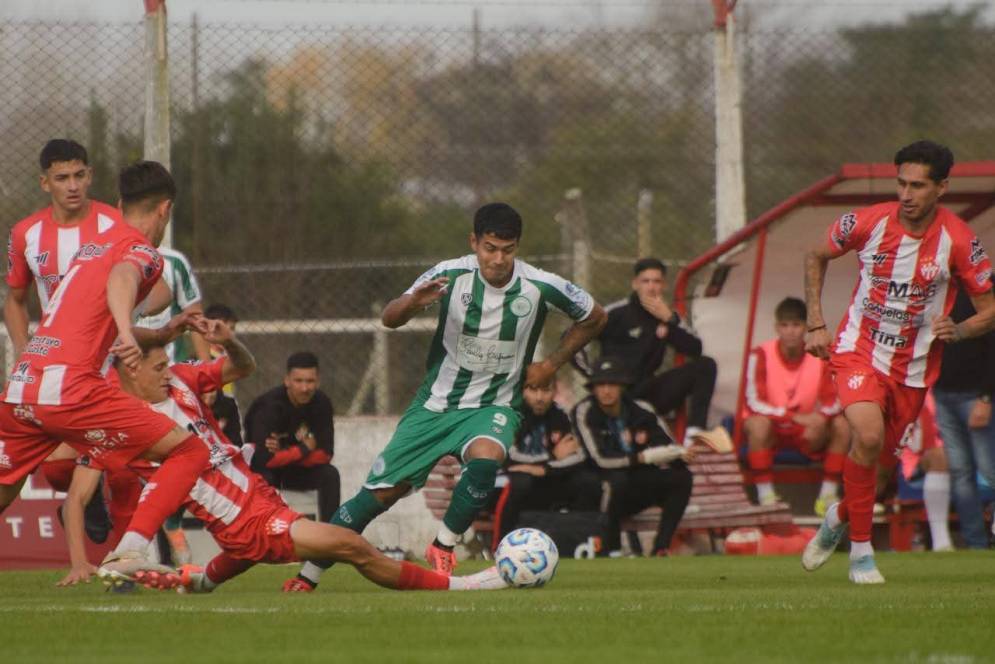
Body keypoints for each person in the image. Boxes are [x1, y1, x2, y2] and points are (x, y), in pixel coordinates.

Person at [283, 202, 606, 592]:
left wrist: (552, 363)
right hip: (435, 407)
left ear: (518, 248)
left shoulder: (539, 285)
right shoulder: (449, 275)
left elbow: (595, 316)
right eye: (490, 248)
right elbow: (389, 317)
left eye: (508, 249)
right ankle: (309, 575)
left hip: (494, 405)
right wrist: (412, 303)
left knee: (486, 460)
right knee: (377, 496)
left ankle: (443, 545)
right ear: (474, 242)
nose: (499, 259)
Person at [60, 332, 505, 594]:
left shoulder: (181, 381)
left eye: (165, 363)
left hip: (257, 496)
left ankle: (199, 582)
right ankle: (465, 586)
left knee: (252, 552)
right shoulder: (122, 424)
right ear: (129, 372)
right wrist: (81, 560)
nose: (165, 370)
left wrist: (230, 343)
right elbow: (76, 496)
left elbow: (243, 368)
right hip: (244, 522)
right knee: (351, 546)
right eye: (156, 366)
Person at [0, 160, 216, 583]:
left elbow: (87, 318)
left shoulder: (91, 247)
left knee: (6, 487)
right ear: (165, 209)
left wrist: (165, 329)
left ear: (118, 204)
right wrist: (125, 331)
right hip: (72, 389)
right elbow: (123, 278)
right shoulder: (141, 251)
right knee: (190, 452)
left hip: (25, 384)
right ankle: (128, 552)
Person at [801, 140, 995, 584]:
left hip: (912, 371)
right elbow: (816, 254)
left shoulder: (959, 240)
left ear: (941, 187)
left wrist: (960, 330)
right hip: (858, 352)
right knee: (866, 437)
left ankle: (838, 517)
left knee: (879, 465)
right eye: (901, 183)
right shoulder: (868, 222)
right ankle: (862, 556)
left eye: (918, 186)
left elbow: (990, 309)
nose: (907, 194)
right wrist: (816, 321)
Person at [4, 139, 125, 541]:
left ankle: (126, 558)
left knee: (126, 459)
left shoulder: (114, 225)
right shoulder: (26, 234)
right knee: (48, 469)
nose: (72, 185)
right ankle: (86, 500)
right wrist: (24, 352)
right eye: (61, 178)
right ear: (45, 183)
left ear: (90, 175)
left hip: (104, 364)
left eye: (79, 175)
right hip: (47, 368)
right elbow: (16, 300)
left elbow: (144, 279)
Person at [573, 356, 694, 557]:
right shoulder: (585, 411)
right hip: (599, 484)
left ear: (622, 386)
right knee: (616, 482)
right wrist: (642, 458)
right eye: (601, 384)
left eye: (612, 383)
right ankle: (611, 550)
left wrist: (681, 454)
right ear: (593, 388)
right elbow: (599, 459)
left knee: (682, 477)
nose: (606, 390)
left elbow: (665, 444)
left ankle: (661, 547)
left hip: (637, 483)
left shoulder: (641, 409)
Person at [596, 258, 719, 446]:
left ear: (664, 285)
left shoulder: (666, 315)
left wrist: (670, 319)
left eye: (657, 281)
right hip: (618, 394)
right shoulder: (616, 313)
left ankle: (694, 435)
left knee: (706, 365)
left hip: (649, 391)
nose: (651, 287)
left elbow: (695, 348)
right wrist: (596, 377)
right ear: (635, 284)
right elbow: (572, 336)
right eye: (645, 281)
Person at [743, 297, 849, 514]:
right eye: (784, 325)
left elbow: (835, 399)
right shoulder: (760, 354)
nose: (790, 331)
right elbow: (753, 402)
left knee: (842, 425)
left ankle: (827, 496)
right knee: (757, 424)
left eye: (796, 325)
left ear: (806, 328)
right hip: (773, 428)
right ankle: (766, 498)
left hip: (808, 431)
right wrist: (791, 417)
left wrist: (821, 418)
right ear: (777, 327)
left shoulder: (820, 354)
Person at [491, 379, 602, 542]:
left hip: (546, 478)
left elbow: (578, 456)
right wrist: (552, 457)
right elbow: (509, 458)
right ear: (521, 391)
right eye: (533, 390)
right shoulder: (509, 415)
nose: (539, 397)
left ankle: (578, 544)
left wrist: (545, 468)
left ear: (555, 391)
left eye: (545, 390)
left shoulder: (562, 416)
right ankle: (499, 545)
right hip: (502, 482)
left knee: (587, 481)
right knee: (520, 482)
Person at [930, 289, 995, 548]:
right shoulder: (935, 289)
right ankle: (975, 543)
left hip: (975, 395)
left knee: (990, 470)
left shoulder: (982, 290)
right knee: (960, 472)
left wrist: (987, 397)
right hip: (944, 393)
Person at [245, 351, 340, 522]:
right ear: (287, 380)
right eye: (298, 381)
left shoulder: (322, 403)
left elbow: (325, 454)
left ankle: (329, 535)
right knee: (265, 477)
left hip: (296, 472)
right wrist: (304, 448)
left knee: (330, 475)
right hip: (266, 473)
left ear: (318, 381)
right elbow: (263, 460)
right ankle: (267, 537)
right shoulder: (268, 407)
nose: (305, 388)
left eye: (310, 381)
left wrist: (284, 452)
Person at [202, 303, 243, 447]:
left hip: (228, 419)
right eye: (227, 329)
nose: (231, 334)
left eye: (233, 329)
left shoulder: (228, 359)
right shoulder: (202, 361)